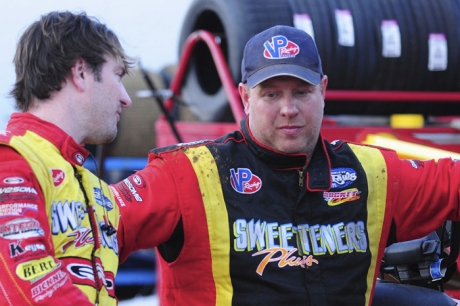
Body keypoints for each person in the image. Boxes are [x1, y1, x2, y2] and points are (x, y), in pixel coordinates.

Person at [111, 25, 460, 305]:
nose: (288, 109)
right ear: (246, 97)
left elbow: (451, 182)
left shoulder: (373, 174)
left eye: (302, 92)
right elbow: (92, 227)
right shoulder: (188, 174)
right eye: (271, 94)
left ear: (323, 90)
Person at [0, 11, 134, 305]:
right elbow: (30, 280)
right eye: (118, 75)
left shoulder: (92, 186)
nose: (127, 97)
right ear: (81, 72)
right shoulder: (11, 159)